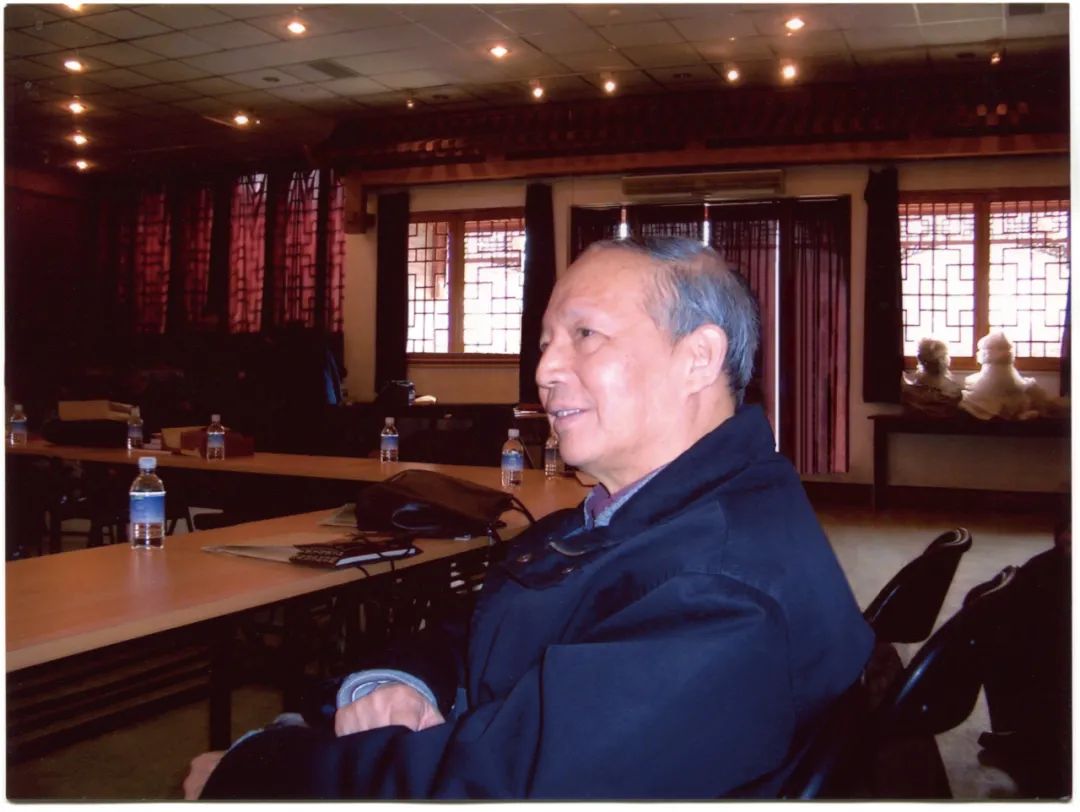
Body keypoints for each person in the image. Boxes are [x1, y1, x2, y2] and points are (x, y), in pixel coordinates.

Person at [187, 237, 874, 799]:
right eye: (547, 341)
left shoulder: (719, 590)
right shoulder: (647, 513)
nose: (545, 369)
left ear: (698, 358)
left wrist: (259, 773)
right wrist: (401, 681)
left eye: (585, 335)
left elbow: (503, 786)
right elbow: (489, 620)